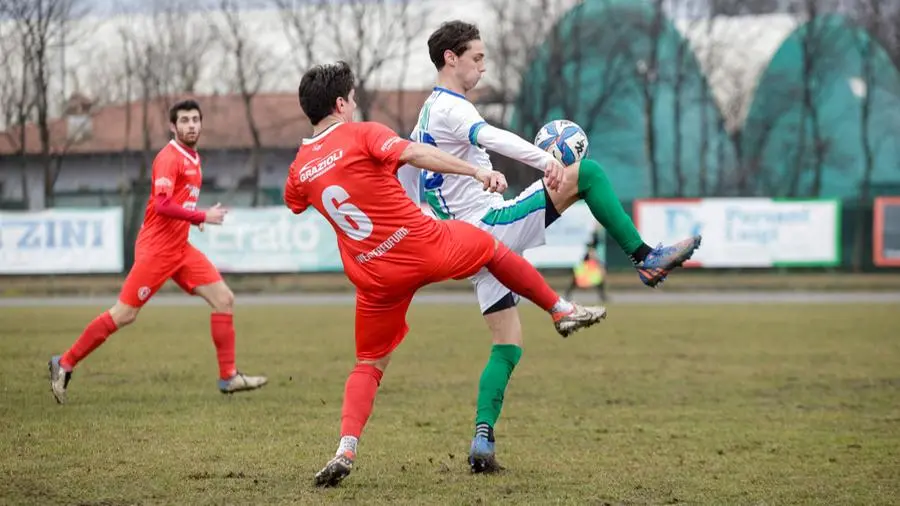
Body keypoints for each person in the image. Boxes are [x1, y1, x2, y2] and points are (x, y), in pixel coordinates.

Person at [284, 61, 607, 488]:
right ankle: (559, 308)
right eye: (354, 98)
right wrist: (476, 170)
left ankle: (345, 448)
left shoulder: (298, 168)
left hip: (372, 275)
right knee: (490, 245)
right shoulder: (363, 133)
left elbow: (296, 203)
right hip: (418, 246)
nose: (356, 104)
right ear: (341, 104)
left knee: (368, 364)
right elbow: (414, 153)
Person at [402, 20, 702, 473]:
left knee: (507, 344)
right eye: (477, 58)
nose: (483, 67)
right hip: (488, 228)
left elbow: (409, 173)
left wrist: (425, 221)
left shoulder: (425, 116)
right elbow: (491, 138)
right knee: (589, 173)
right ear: (451, 58)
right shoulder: (450, 107)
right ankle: (645, 258)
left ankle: (482, 441)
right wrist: (547, 160)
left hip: (465, 248)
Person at [48, 99, 268, 404]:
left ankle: (228, 377)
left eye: (195, 120)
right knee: (124, 314)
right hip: (156, 250)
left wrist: (194, 219)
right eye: (185, 120)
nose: (191, 125)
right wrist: (202, 216)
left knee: (224, 299)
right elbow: (163, 205)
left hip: (180, 248)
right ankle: (65, 362)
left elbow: (179, 203)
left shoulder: (193, 158)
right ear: (173, 126)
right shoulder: (169, 158)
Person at [565, 226, 608, 303]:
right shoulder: (589, 248)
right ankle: (567, 294)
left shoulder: (592, 248)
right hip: (586, 267)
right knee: (577, 280)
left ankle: (602, 296)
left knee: (598, 280)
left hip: (589, 267)